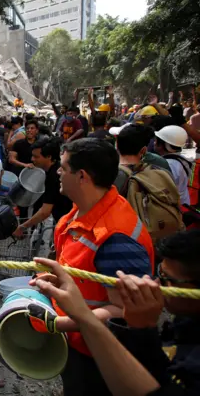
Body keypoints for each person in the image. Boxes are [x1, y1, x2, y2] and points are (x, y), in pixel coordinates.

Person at [28, 138, 155, 395]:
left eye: (63, 168)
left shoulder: (116, 239)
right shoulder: (80, 212)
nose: (58, 173)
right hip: (78, 344)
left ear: (82, 176)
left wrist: (54, 323)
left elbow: (125, 312)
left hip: (98, 358)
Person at [30, 228, 200, 396]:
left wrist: (142, 330)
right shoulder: (186, 322)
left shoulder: (116, 236)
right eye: (159, 273)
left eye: (167, 279)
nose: (156, 283)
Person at [12, 138, 73, 239]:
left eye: (36, 157)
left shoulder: (54, 176)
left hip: (68, 223)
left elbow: (45, 211)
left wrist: (22, 227)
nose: (32, 159)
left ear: (49, 157)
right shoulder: (55, 168)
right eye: (32, 156)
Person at [154, 125, 192, 206]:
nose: (154, 142)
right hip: (182, 204)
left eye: (156, 140)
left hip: (174, 208)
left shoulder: (169, 164)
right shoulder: (179, 159)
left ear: (164, 145)